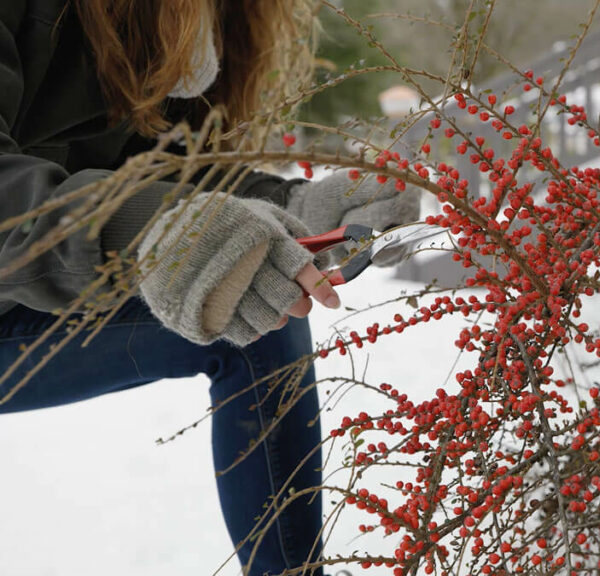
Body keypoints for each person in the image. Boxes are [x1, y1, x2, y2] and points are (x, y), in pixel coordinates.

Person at [0, 1, 417, 574]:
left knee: (249, 303)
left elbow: (165, 166)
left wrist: (293, 208)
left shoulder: (182, 22)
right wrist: (146, 229)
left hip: (32, 289)